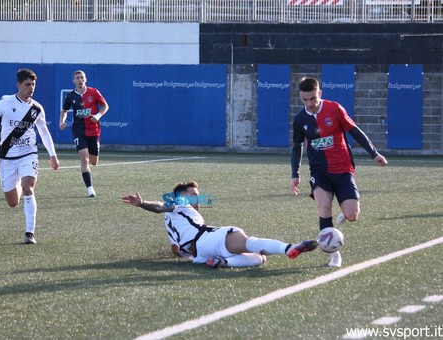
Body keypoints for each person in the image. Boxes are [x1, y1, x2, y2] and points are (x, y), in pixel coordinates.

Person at [290, 77, 388, 268]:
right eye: (305, 100)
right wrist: (295, 174)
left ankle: (345, 214)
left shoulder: (335, 109)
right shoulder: (300, 119)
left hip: (343, 170)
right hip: (319, 172)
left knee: (352, 215)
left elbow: (354, 131)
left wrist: (373, 153)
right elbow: (296, 147)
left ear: (319, 93)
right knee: (324, 207)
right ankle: (334, 255)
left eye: (312, 99)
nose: (309, 104)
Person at [122, 181, 318, 268]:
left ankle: (225, 262)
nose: (197, 200)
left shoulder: (173, 220)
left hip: (200, 254)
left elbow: (175, 249)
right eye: (193, 196)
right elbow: (160, 205)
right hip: (207, 238)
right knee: (246, 241)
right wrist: (143, 203)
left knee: (260, 259)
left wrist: (186, 253)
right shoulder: (179, 204)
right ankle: (290, 248)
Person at [0, 68, 60, 245]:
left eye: (33, 84)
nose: (31, 88)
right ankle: (19, 187)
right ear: (18, 85)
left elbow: (44, 132)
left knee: (29, 187)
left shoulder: (37, 109)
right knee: (13, 202)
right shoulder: (4, 104)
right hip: (6, 158)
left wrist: (53, 155)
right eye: (28, 84)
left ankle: (30, 233)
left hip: (28, 154)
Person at [59, 70, 109, 198]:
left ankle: (93, 158)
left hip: (94, 130)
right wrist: (62, 122)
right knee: (84, 158)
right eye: (77, 78)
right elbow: (64, 111)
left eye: (82, 78)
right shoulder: (70, 96)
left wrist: (98, 115)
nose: (80, 80)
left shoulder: (94, 92)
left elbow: (105, 106)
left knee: (94, 161)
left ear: (85, 79)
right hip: (79, 130)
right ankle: (90, 189)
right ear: (73, 81)